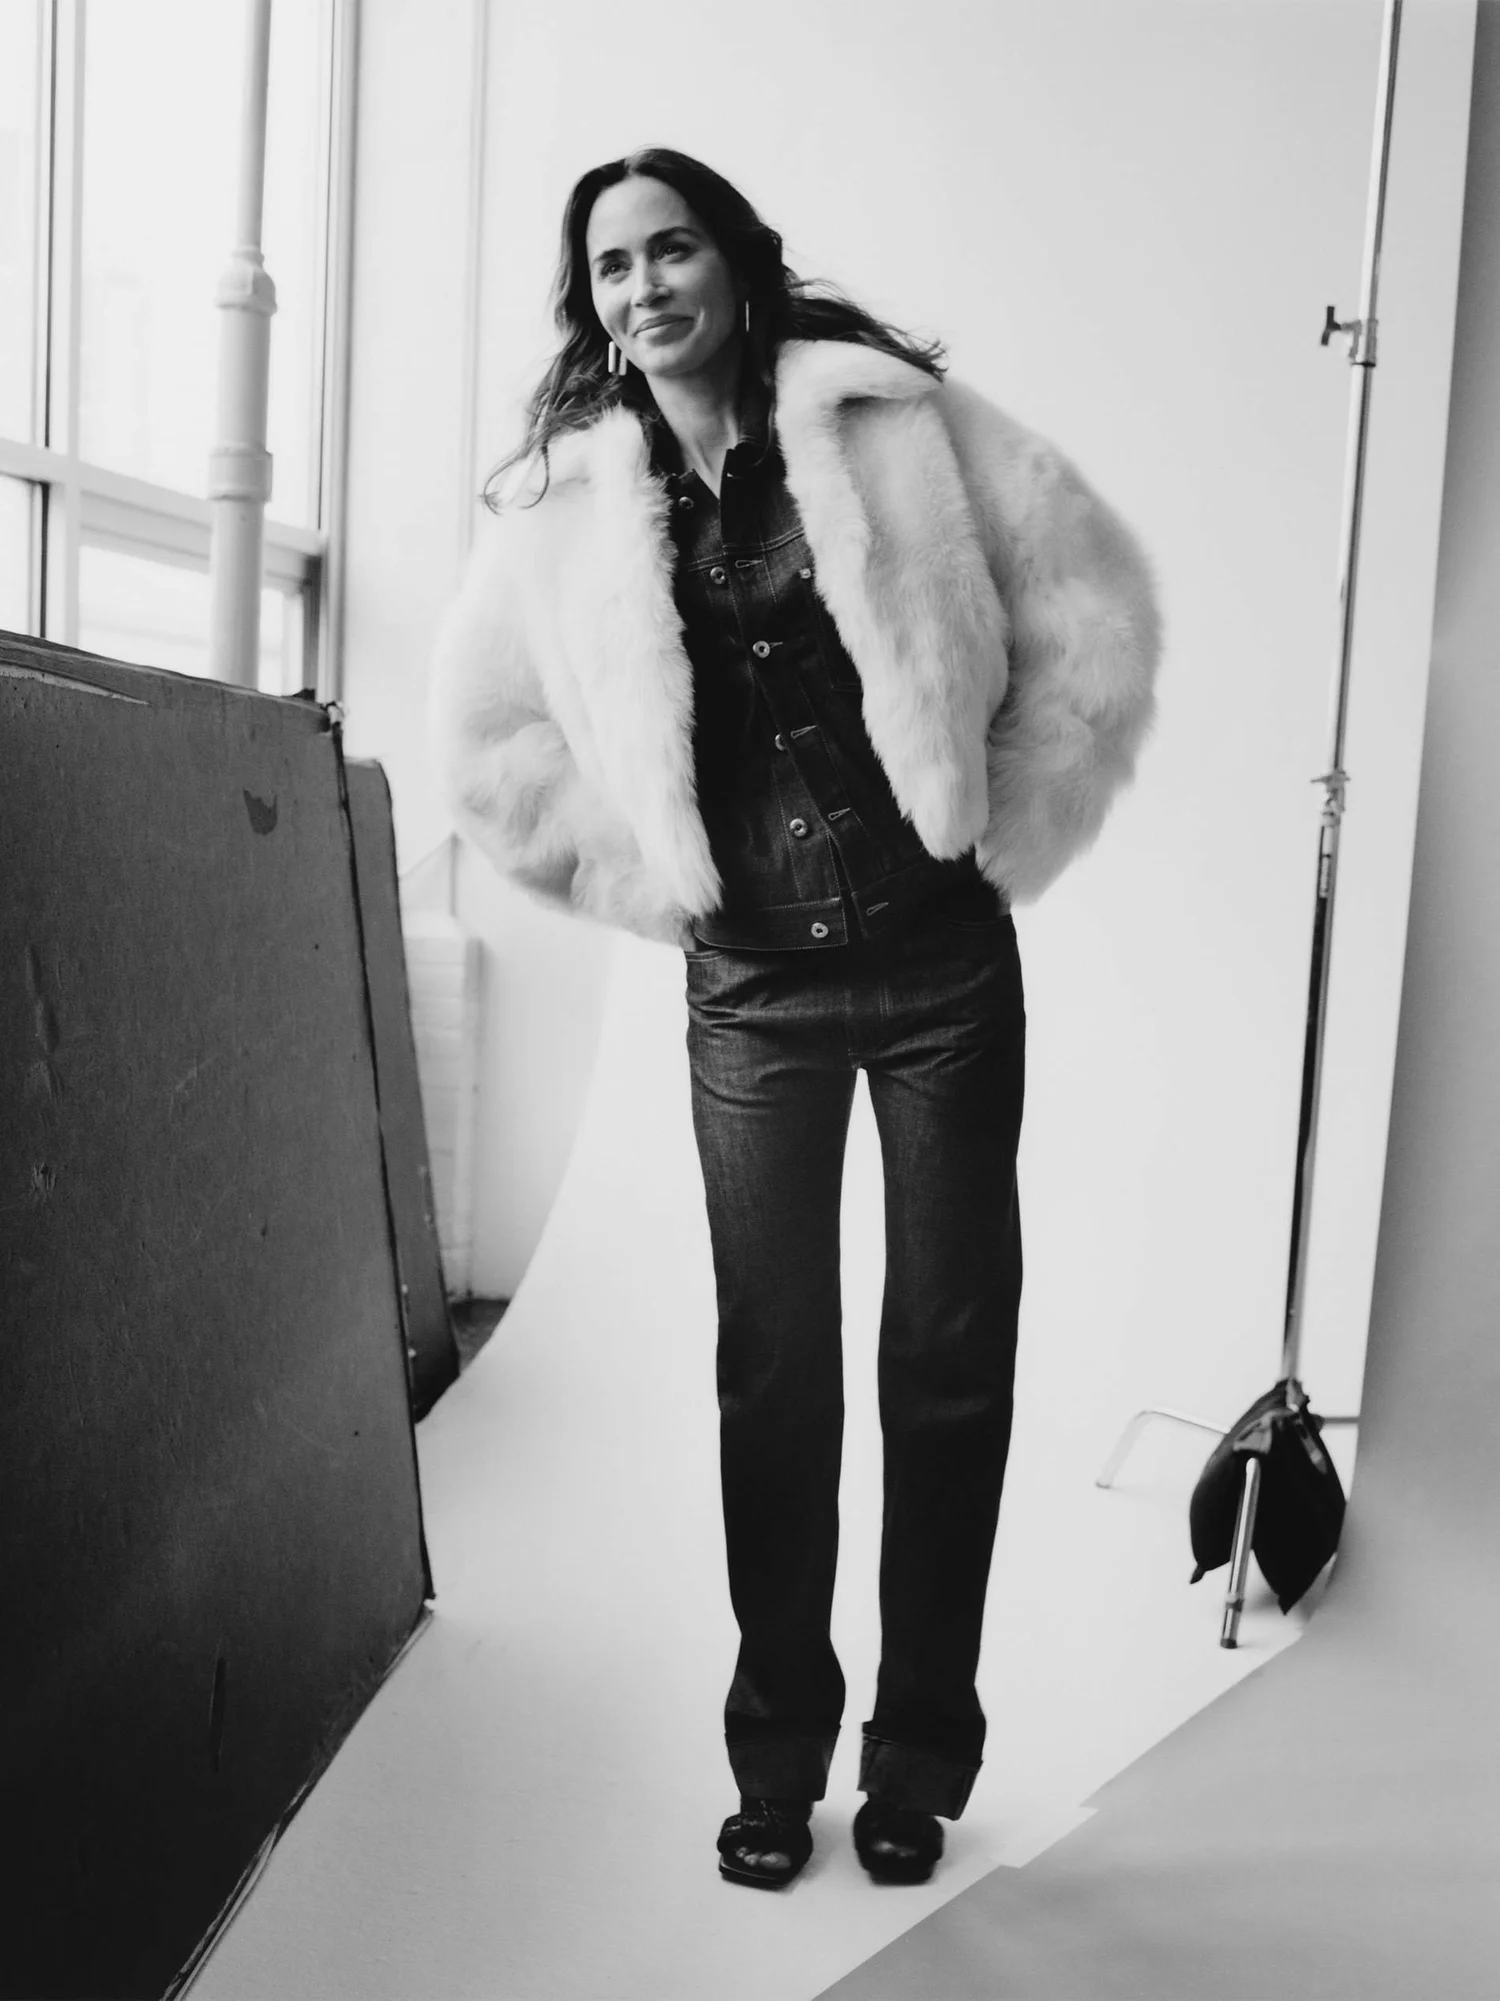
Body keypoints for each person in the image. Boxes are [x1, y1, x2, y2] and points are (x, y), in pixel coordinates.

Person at [429, 147, 1161, 1890]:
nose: (644, 288)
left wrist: (1004, 824)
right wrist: (653, 877)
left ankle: (916, 1757)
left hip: (938, 970)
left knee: (947, 1359)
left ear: (735, 263)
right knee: (775, 1374)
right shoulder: (566, 509)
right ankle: (776, 1759)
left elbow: (1091, 601)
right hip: (751, 991)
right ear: (593, 305)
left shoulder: (887, 422)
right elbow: (487, 743)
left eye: (671, 249)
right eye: (612, 268)